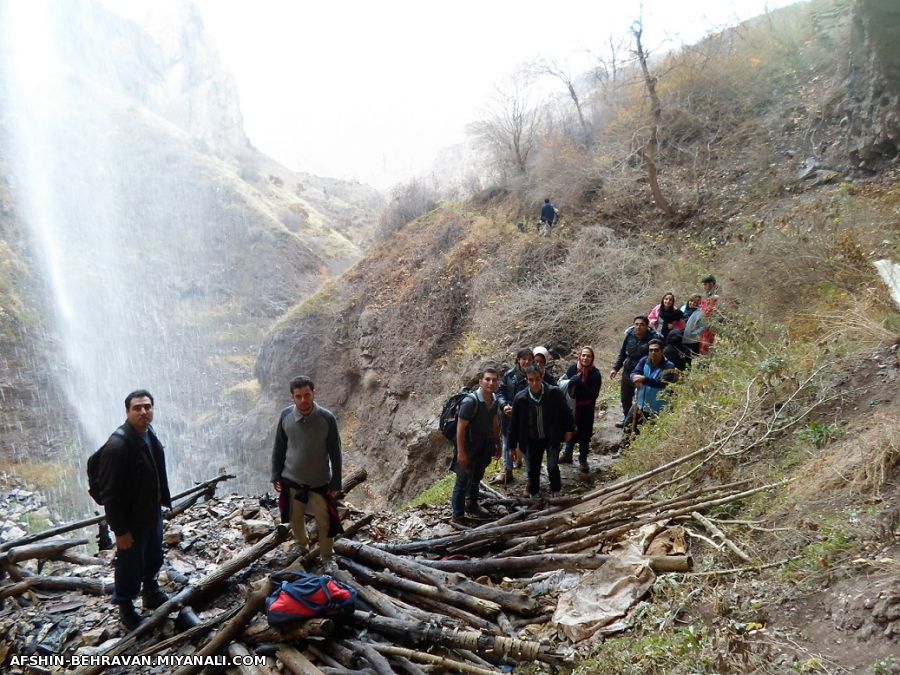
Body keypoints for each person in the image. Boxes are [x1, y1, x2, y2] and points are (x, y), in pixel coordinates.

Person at [97, 390, 172, 630]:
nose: (143, 412)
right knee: (129, 565)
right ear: (127, 411)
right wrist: (119, 531)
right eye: (137, 408)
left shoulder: (148, 433)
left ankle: (150, 591)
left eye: (147, 407)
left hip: (151, 513)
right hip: (131, 521)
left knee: (152, 556)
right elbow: (110, 494)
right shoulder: (117, 446)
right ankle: (126, 608)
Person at [271, 376, 342, 567]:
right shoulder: (286, 416)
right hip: (291, 480)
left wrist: (336, 483)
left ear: (314, 394)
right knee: (295, 518)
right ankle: (301, 547)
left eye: (307, 395)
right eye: (299, 396)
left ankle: (327, 557)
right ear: (292, 397)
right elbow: (279, 446)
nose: (303, 400)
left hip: (319, 483)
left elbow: (336, 453)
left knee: (324, 521)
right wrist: (275, 474)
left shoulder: (327, 419)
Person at [508, 365, 574, 497]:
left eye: (537, 379)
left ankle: (556, 490)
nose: (534, 383)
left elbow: (566, 412)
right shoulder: (520, 398)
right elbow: (514, 424)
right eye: (531, 380)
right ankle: (534, 494)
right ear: (527, 380)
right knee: (533, 469)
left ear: (542, 377)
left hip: (551, 437)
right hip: (531, 439)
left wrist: (569, 430)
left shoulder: (554, 393)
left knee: (552, 466)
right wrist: (511, 446)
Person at [451, 367, 502, 523]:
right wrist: (461, 453)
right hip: (468, 446)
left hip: (484, 446)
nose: (490, 382)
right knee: (462, 480)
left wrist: (497, 442)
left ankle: (472, 503)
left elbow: (494, 422)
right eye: (487, 379)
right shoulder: (470, 401)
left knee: (477, 476)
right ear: (480, 381)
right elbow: (460, 428)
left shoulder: (493, 399)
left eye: (494, 380)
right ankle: (458, 515)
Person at [610, 316, 661, 427]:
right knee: (625, 398)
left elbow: (658, 356)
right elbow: (622, 353)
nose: (638, 327)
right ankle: (626, 420)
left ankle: (639, 422)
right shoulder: (629, 336)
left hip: (642, 372)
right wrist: (615, 368)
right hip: (628, 370)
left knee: (640, 399)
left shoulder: (652, 339)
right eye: (636, 324)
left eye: (641, 324)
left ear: (647, 326)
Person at [559, 346, 602, 472]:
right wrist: (572, 382)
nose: (585, 358)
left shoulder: (595, 374)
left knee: (584, 434)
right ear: (580, 356)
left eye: (588, 356)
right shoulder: (573, 369)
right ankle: (567, 455)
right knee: (570, 430)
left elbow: (593, 394)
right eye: (583, 355)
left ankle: (583, 460)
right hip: (572, 406)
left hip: (586, 409)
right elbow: (564, 384)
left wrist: (580, 384)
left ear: (592, 358)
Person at [497, 348, 533, 481]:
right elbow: (500, 392)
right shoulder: (509, 375)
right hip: (508, 418)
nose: (527, 362)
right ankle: (508, 471)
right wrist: (503, 405)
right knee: (506, 445)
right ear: (518, 359)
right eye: (524, 359)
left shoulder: (534, 376)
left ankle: (530, 477)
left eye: (530, 359)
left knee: (527, 447)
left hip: (526, 420)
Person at [629, 338, 678, 420]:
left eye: (656, 350)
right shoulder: (644, 360)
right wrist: (635, 378)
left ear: (662, 351)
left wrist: (644, 379)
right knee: (628, 429)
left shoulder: (669, 366)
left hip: (656, 409)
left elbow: (662, 383)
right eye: (651, 350)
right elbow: (634, 372)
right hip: (639, 404)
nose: (653, 353)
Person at [699, 275, 720, 356]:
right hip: (703, 325)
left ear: (712, 284)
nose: (705, 286)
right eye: (704, 284)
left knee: (706, 345)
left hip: (710, 325)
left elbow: (714, 311)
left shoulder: (716, 296)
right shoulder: (706, 295)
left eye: (706, 284)